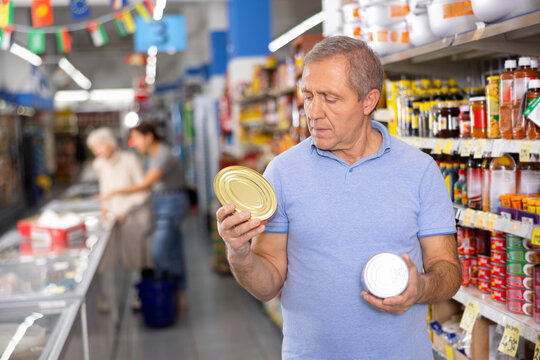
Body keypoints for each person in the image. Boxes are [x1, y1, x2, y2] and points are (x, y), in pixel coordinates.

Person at [216, 36, 462, 359]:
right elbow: (268, 283)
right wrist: (239, 253)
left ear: (368, 101)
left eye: (330, 98)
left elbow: (448, 270)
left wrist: (421, 289)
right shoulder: (282, 171)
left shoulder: (420, 170)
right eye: (308, 96)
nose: (313, 112)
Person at [102, 122, 189, 310]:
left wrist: (114, 191)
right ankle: (179, 293)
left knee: (158, 250)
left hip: (171, 204)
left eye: (137, 138)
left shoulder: (163, 156)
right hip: (162, 203)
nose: (134, 143)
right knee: (173, 249)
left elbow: (144, 185)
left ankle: (169, 290)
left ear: (149, 137)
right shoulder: (152, 155)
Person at [87, 127, 153, 314]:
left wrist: (123, 210)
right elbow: (107, 189)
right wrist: (104, 204)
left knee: (139, 258)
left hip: (134, 217)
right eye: (94, 148)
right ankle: (107, 298)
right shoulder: (99, 164)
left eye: (98, 146)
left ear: (109, 143)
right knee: (109, 259)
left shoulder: (129, 160)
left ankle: (140, 296)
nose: (96, 151)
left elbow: (143, 191)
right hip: (112, 218)